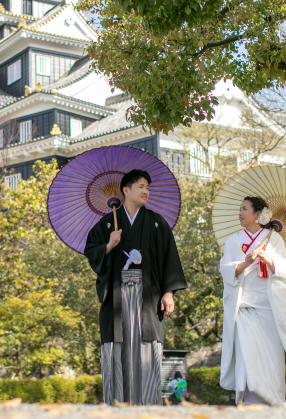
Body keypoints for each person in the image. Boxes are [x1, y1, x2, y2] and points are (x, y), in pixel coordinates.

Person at [84, 169, 187, 405]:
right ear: (126, 190)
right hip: (117, 297)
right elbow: (91, 251)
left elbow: (169, 259)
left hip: (148, 298)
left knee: (147, 351)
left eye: (147, 188)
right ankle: (118, 407)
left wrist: (168, 292)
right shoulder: (107, 223)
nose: (146, 191)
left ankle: (148, 408)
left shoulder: (157, 223)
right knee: (116, 350)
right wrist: (109, 245)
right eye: (141, 187)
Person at [218, 196, 286, 406]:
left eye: (245, 209)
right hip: (243, 309)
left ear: (258, 214)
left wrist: (269, 260)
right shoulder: (233, 241)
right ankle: (251, 404)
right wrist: (245, 263)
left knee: (271, 360)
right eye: (240, 209)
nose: (240, 213)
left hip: (269, 309)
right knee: (247, 360)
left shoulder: (274, 239)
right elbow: (224, 268)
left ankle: (274, 402)